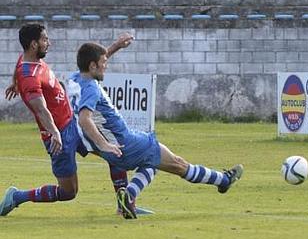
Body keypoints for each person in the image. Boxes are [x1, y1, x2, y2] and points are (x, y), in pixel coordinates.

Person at [68, 41, 243, 219]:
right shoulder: (91, 89)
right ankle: (224, 180)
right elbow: (84, 119)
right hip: (126, 143)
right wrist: (104, 144)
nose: (106, 66)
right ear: (92, 65)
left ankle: (129, 195)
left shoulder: (76, 78)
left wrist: (117, 46)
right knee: (178, 164)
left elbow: (94, 63)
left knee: (152, 164)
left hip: (114, 148)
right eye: (103, 63)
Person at [0, 23, 152, 217]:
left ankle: (124, 205)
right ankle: (17, 196)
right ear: (33, 44)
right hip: (59, 136)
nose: (49, 43)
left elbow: (19, 64)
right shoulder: (29, 77)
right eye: (45, 39)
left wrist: (14, 82)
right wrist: (54, 132)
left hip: (73, 124)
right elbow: (41, 109)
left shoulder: (28, 61)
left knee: (114, 153)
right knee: (68, 192)